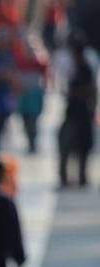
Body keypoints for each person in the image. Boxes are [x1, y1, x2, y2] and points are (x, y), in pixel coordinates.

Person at [57, 33, 97, 188]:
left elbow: (89, 91)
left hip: (80, 112)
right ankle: (66, 177)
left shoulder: (86, 67)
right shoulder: (75, 65)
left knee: (80, 146)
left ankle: (81, 177)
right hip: (74, 111)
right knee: (66, 145)